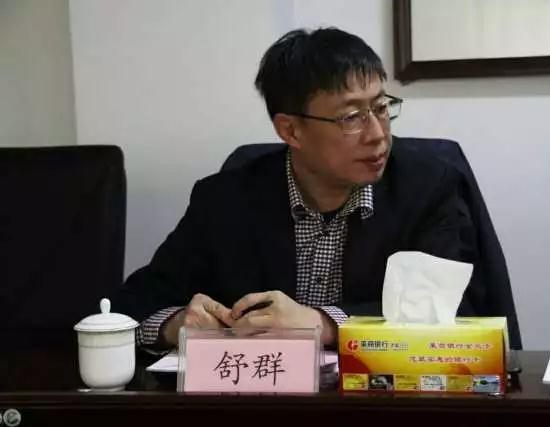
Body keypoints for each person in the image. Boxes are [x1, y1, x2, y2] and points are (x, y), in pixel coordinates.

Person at [112, 27, 508, 351]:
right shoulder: (225, 201)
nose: (377, 134)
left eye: (381, 107)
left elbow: (457, 313)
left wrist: (324, 323)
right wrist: (176, 325)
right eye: (352, 117)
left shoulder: (428, 188)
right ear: (291, 130)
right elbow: (129, 306)